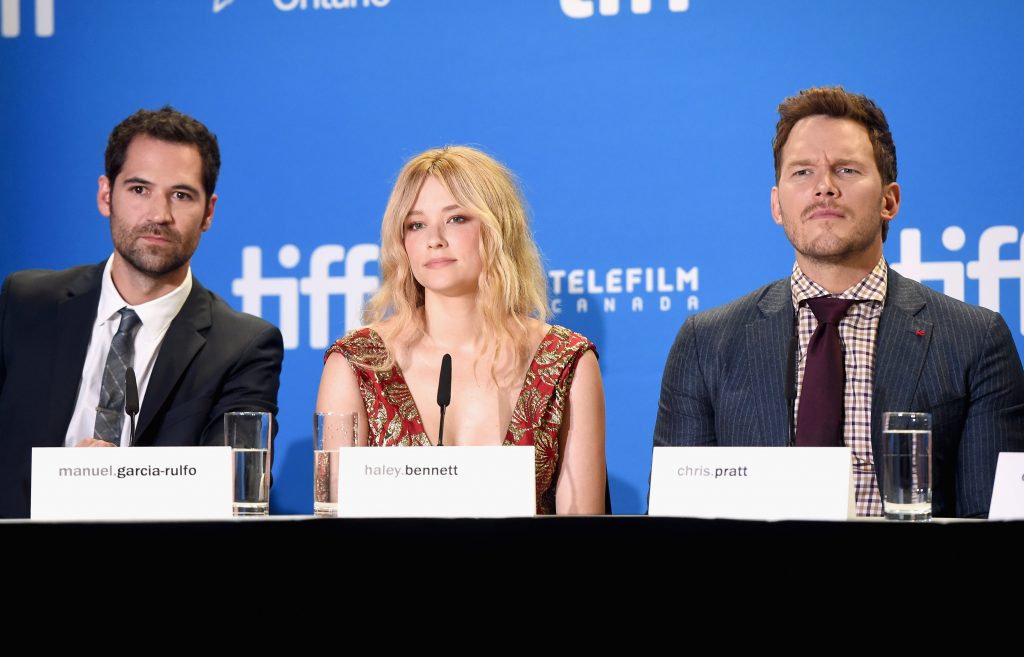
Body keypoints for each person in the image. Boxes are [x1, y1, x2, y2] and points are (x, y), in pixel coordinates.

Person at [653, 86, 1024, 518]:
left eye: (846, 170)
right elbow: (677, 521)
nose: (824, 188)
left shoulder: (975, 340)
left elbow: (992, 524)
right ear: (776, 204)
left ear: (889, 200)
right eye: (802, 172)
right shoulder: (705, 343)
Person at [0, 106, 284, 518]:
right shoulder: (25, 303)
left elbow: (236, 490)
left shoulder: (242, 347)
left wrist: (113, 483)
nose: (158, 215)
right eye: (139, 189)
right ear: (105, 195)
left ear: (209, 212)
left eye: (181, 195)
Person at [317, 146, 606, 515]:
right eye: (415, 225)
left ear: (498, 227)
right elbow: (332, 524)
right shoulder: (358, 363)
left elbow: (583, 535)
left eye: (456, 219)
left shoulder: (564, 360)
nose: (434, 239)